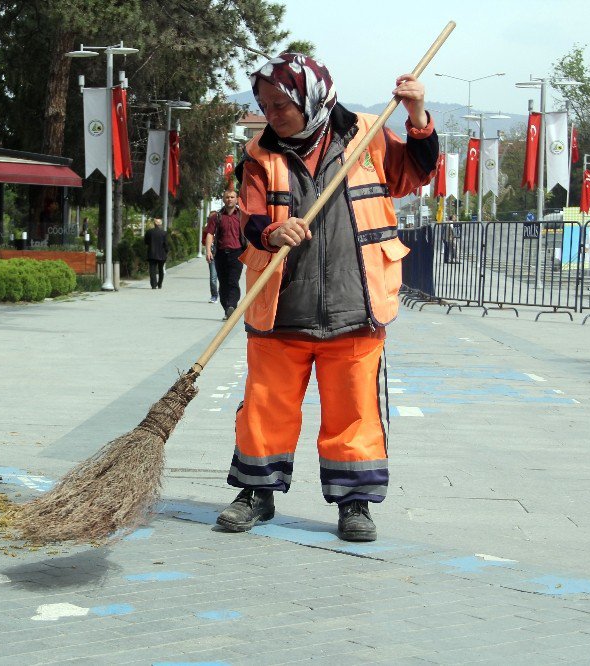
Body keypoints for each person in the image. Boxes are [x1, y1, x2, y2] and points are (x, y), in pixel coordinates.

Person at [216, 53, 437, 542]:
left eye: (280, 104)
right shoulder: (260, 154)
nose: (272, 114)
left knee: (354, 410)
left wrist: (417, 116)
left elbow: (414, 175)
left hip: (354, 302)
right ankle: (256, 493)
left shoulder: (367, 132)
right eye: (264, 105)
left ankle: (353, 504)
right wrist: (273, 232)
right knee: (265, 406)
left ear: (309, 99)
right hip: (281, 305)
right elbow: (253, 216)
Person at [205, 189, 245, 319]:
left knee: (233, 281)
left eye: (232, 197)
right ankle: (227, 309)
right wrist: (208, 251)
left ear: (236, 199)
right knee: (223, 283)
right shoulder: (216, 216)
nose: (229, 199)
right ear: (223, 199)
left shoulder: (241, 215)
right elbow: (210, 233)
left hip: (237, 253)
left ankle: (232, 305)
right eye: (227, 197)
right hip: (221, 254)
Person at [143, 217, 169, 289]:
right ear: (161, 225)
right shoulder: (164, 233)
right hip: (162, 254)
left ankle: (153, 285)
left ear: (154, 224)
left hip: (152, 253)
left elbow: (146, 242)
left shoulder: (149, 232)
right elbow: (166, 244)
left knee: (152, 270)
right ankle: (160, 284)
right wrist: (166, 251)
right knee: (161, 269)